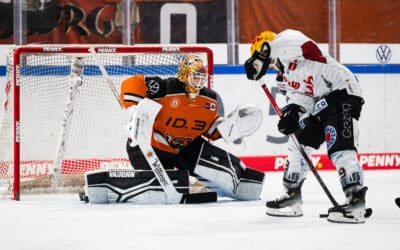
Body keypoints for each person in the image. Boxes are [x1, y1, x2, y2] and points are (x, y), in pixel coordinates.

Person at [244, 29, 368, 223]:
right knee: (299, 144)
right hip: (320, 103)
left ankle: (356, 200)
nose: (270, 66)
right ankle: (292, 196)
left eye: (265, 61)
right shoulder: (284, 77)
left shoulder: (290, 42)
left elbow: (289, 45)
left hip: (342, 92)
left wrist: (264, 53)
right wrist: (292, 113)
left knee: (339, 146)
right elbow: (302, 100)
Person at [115, 54, 265, 203]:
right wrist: (135, 108)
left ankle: (238, 178)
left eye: (202, 77)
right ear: (183, 75)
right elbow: (132, 83)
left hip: (183, 149)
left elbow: (208, 129)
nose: (198, 82)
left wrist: (230, 127)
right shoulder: (165, 88)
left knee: (203, 155)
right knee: (158, 189)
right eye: (195, 77)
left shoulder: (209, 99)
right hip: (149, 148)